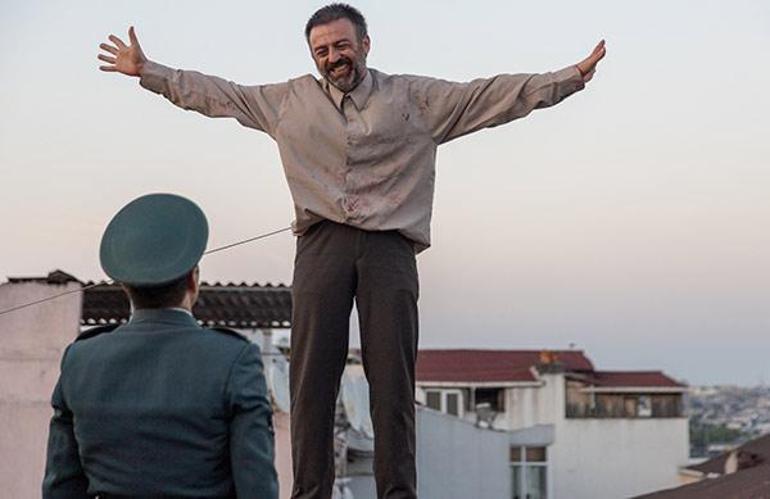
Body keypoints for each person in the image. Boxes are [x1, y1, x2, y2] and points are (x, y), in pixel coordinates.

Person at [97, 5, 606, 498]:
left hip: (390, 250)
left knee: (393, 384)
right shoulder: (289, 101)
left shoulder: (414, 98)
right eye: (321, 50)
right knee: (311, 383)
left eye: (341, 45)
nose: (333, 57)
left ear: (365, 44)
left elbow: (490, 96)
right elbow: (219, 95)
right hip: (321, 247)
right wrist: (149, 71)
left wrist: (567, 78)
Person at [42, 193, 278, 498]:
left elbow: (60, 488)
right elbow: (257, 488)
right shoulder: (234, 359)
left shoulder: (80, 360)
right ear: (193, 280)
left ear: (125, 286)